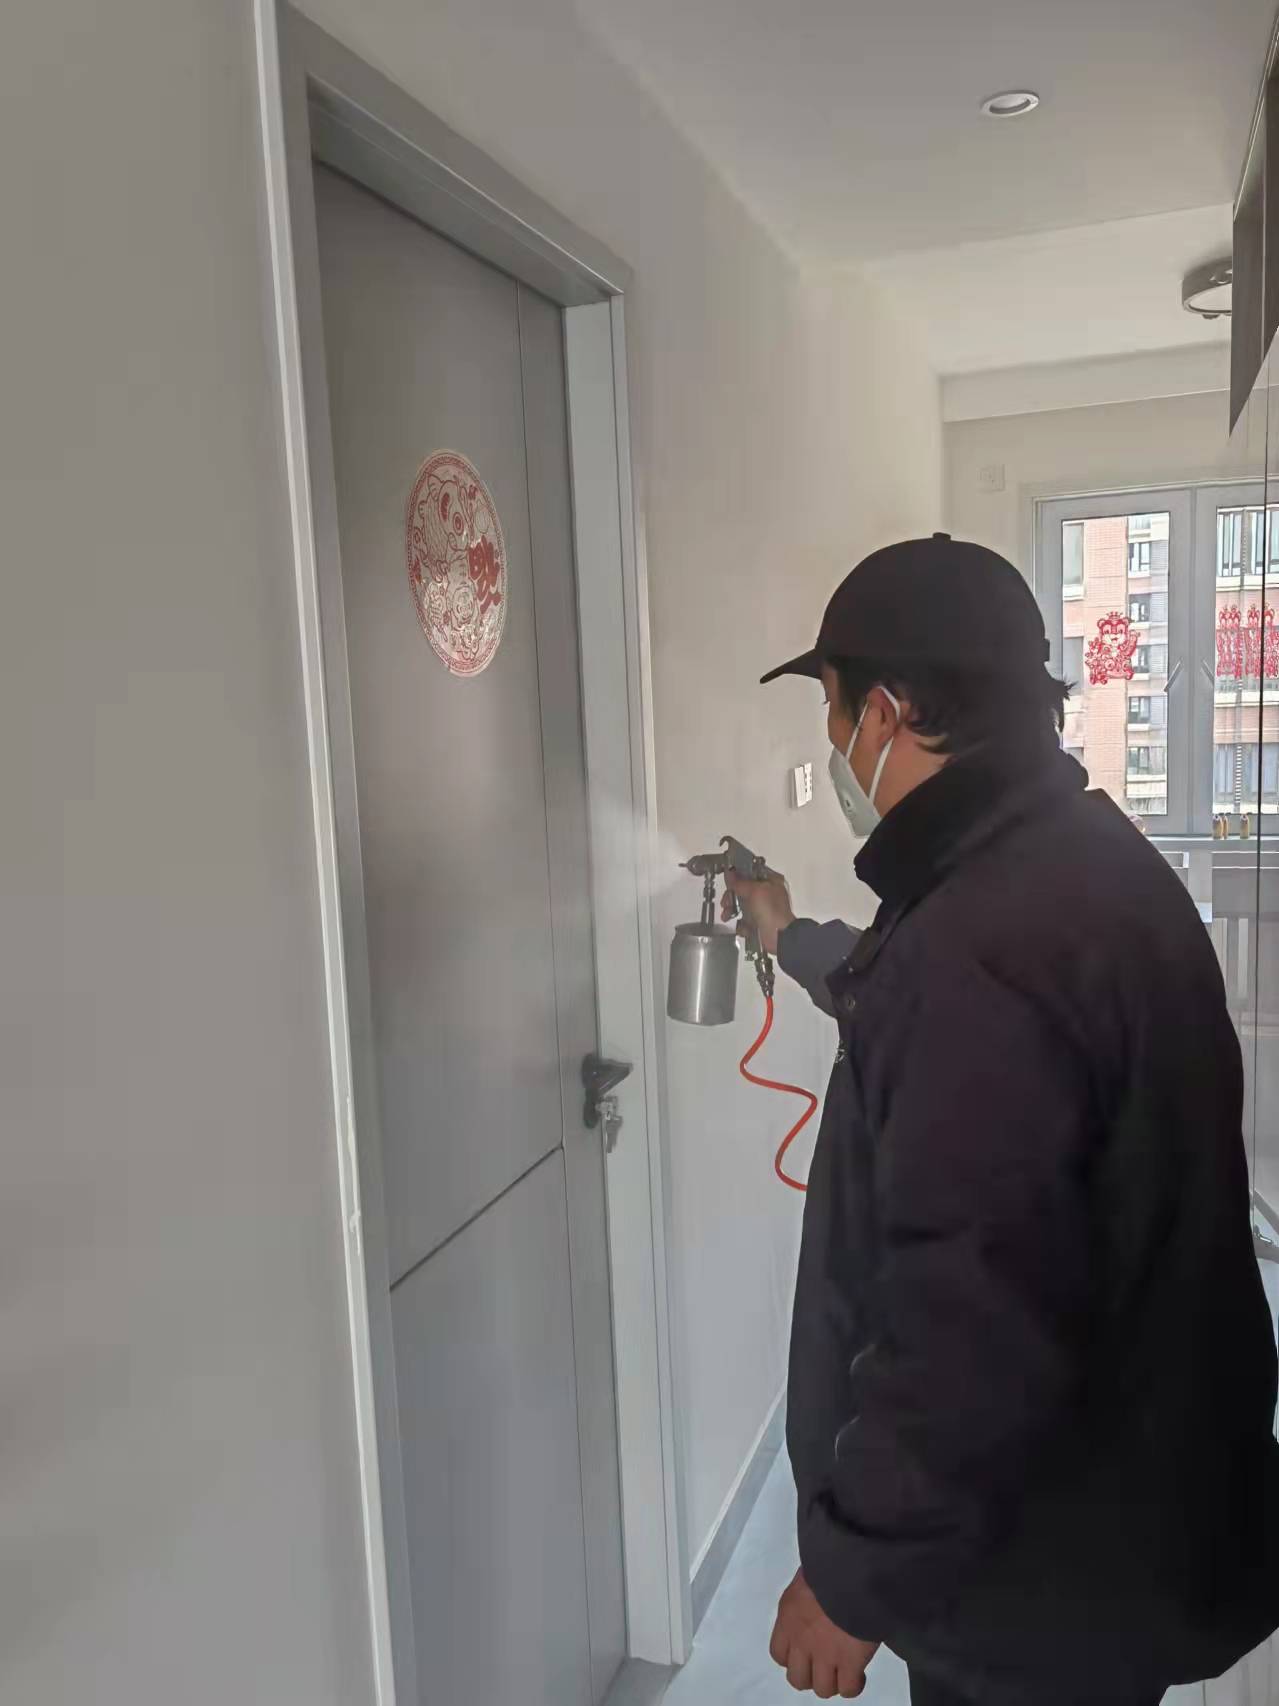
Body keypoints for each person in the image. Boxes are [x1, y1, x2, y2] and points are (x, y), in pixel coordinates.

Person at [728, 534, 1279, 1706]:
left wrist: (851, 1575)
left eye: (834, 712)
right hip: (1117, 1523)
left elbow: (967, 1329)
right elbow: (904, 989)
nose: (832, 744)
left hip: (1036, 1573)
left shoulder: (979, 946)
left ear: (887, 712)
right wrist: (786, 935)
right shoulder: (1065, 866)